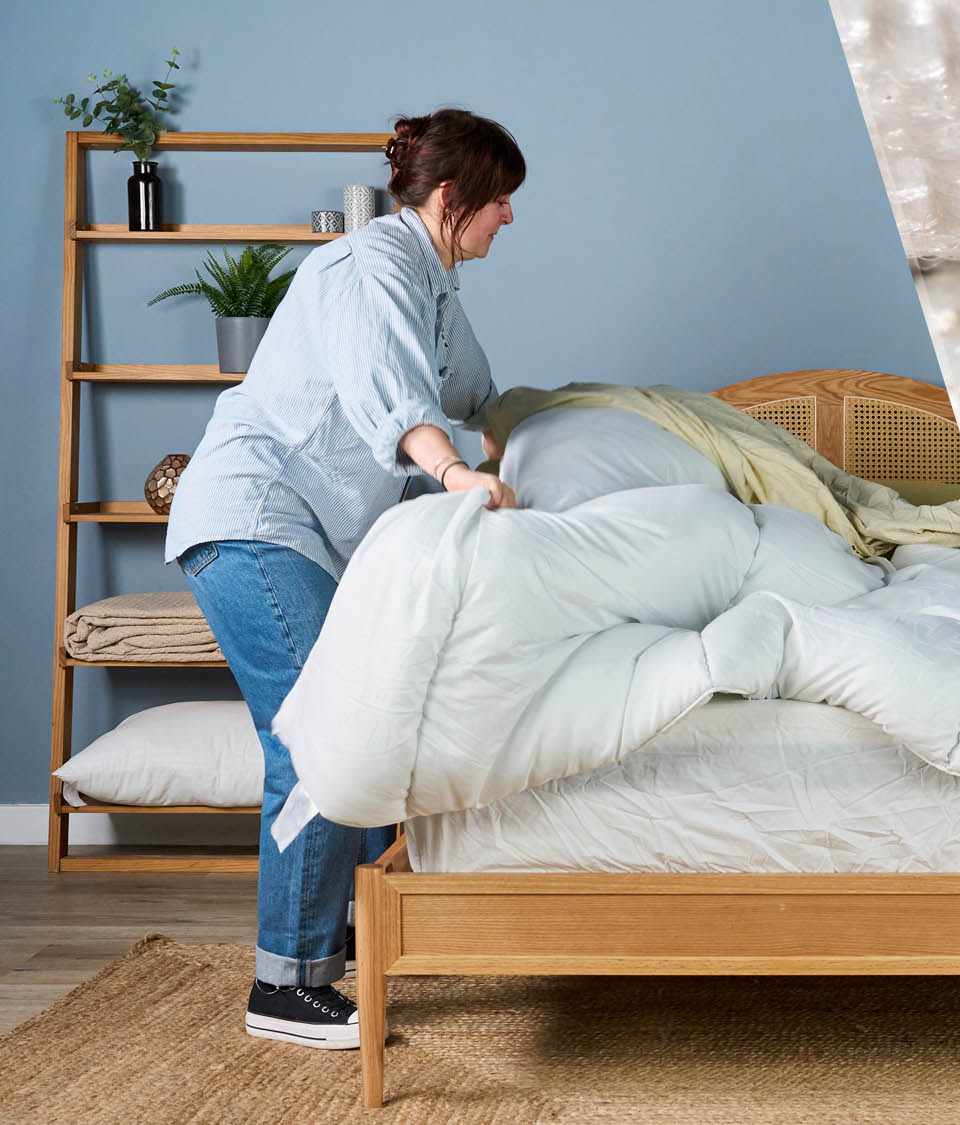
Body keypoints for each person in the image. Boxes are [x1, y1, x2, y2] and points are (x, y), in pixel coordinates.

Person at [164, 107, 524, 1050]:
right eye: (501, 200)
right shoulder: (365, 265)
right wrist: (453, 473)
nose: (510, 218)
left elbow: (479, 395)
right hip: (252, 517)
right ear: (453, 196)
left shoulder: (433, 284)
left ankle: (361, 934)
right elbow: (390, 397)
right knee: (319, 737)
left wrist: (548, 428)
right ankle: (285, 984)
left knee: (370, 722)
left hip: (304, 537)